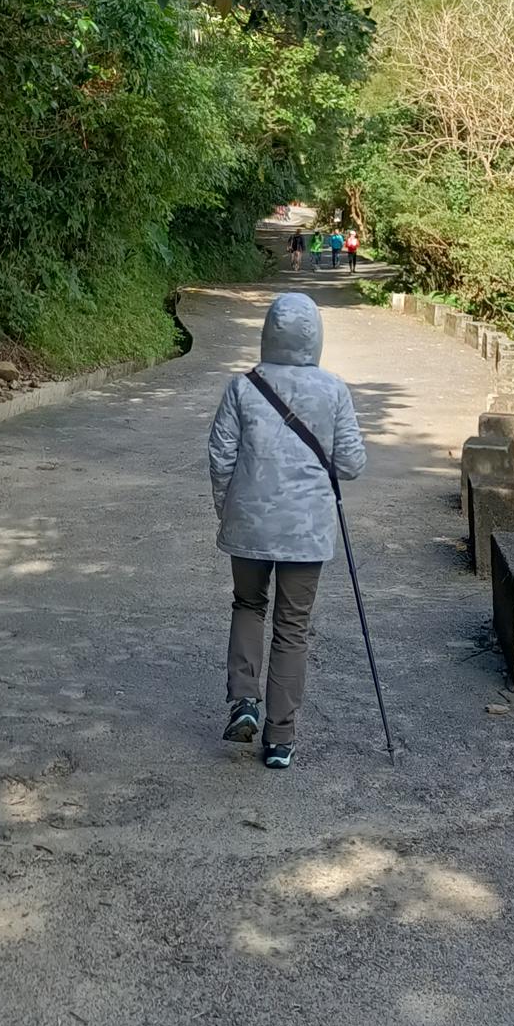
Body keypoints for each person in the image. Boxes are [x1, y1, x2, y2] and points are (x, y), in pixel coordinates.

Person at [207, 293, 366, 768]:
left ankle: (244, 700)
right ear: (315, 337)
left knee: (248, 604)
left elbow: (220, 455)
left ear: (268, 334)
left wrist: (226, 508)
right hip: (306, 531)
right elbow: (352, 464)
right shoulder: (333, 390)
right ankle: (280, 739)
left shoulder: (242, 387)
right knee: (293, 626)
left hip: (249, 523)